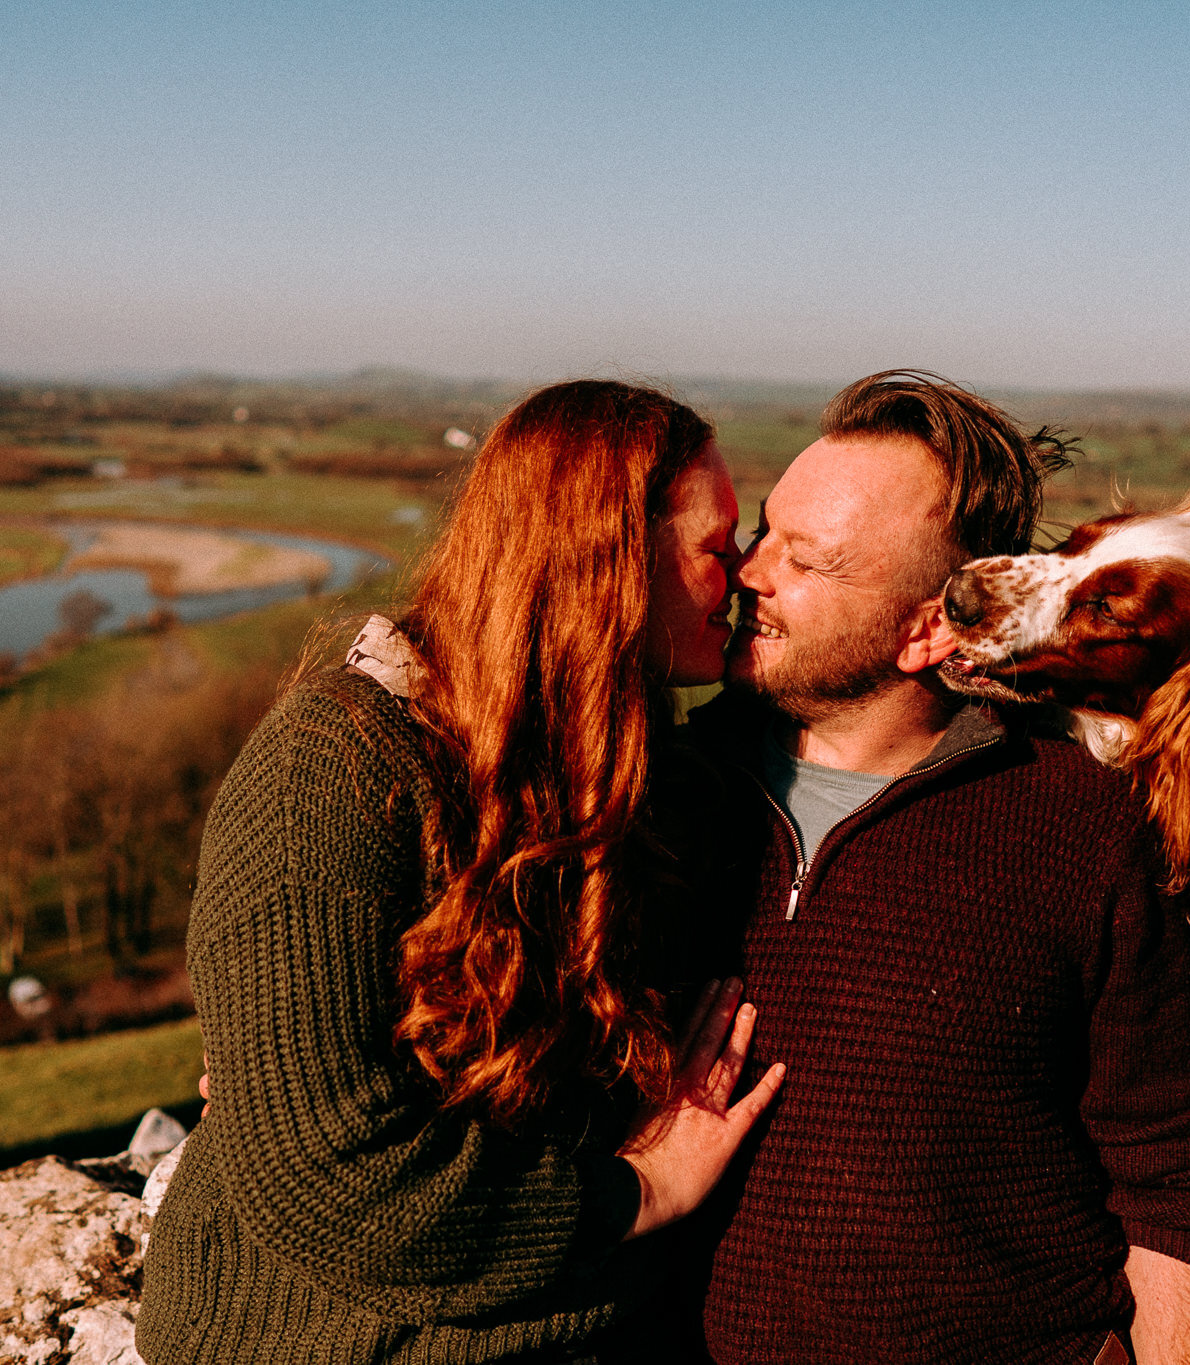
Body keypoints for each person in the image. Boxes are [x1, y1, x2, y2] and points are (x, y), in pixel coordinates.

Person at [137, 380, 785, 1365]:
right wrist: (640, 1191)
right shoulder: (336, 767)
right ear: (606, 558)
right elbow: (339, 1186)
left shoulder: (634, 776)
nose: (739, 576)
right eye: (715, 546)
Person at [681, 371, 1190, 1364]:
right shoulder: (656, 797)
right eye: (762, 530)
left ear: (927, 630)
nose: (746, 573)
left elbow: (1176, 1177)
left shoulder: (1089, 827)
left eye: (802, 561)